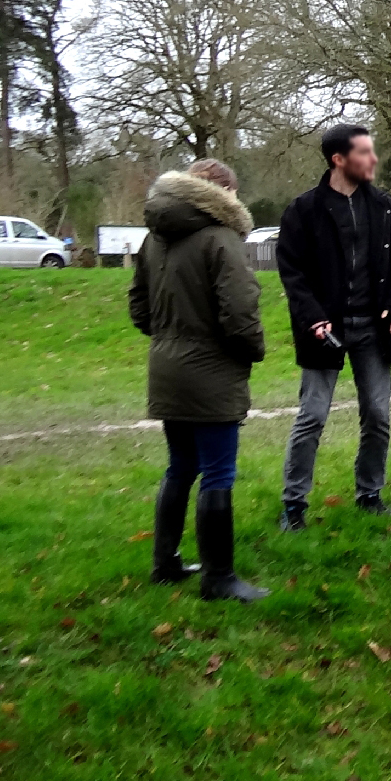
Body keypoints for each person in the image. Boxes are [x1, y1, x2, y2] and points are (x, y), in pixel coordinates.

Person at [127, 160, 269, 602]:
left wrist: (172, 338)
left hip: (166, 368)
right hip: (212, 373)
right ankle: (218, 577)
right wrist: (252, 350)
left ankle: (165, 562)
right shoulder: (220, 239)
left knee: (180, 466)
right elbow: (240, 311)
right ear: (223, 193)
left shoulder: (155, 238)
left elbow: (138, 307)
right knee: (218, 473)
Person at [274, 123, 391, 531]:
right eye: (364, 153)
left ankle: (369, 494)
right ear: (338, 159)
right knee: (312, 416)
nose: (373, 160)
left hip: (376, 330)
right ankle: (293, 505)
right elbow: (292, 271)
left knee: (377, 414)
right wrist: (312, 317)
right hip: (324, 331)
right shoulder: (303, 210)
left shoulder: (385, 207)